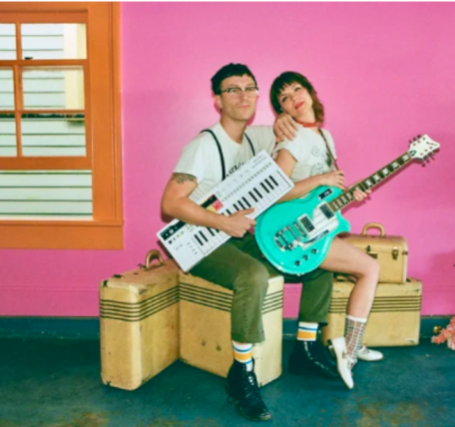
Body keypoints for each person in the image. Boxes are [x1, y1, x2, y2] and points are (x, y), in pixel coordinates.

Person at [160, 63, 340, 422]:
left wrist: (283, 119)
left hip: (242, 235)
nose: (243, 95)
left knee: (317, 257)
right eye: (232, 89)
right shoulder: (204, 145)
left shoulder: (258, 137)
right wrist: (221, 221)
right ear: (217, 100)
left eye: (249, 88)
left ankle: (305, 349)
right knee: (253, 276)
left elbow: (287, 132)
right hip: (202, 242)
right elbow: (170, 204)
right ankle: (241, 372)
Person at [269, 71, 383, 390]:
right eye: (285, 98)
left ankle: (345, 345)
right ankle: (350, 348)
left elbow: (323, 195)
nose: (294, 98)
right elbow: (275, 192)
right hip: (295, 234)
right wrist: (320, 179)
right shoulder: (291, 138)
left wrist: (349, 194)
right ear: (282, 110)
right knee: (370, 269)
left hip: (317, 227)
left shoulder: (324, 136)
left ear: (310, 92)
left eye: (297, 89)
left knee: (363, 270)